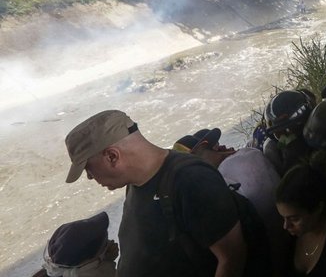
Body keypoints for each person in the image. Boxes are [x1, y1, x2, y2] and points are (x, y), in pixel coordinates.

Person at [64, 110, 248, 277]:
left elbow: (232, 258)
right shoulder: (135, 183)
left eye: (88, 168)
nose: (89, 177)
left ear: (112, 156)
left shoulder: (191, 180)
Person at [174, 128, 291, 277]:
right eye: (212, 147)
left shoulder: (224, 175)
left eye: (217, 144)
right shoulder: (247, 155)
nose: (222, 147)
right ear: (195, 160)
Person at [34, 212, 118, 277]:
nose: (112, 243)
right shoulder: (101, 273)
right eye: (105, 245)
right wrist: (109, 262)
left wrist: (107, 259)